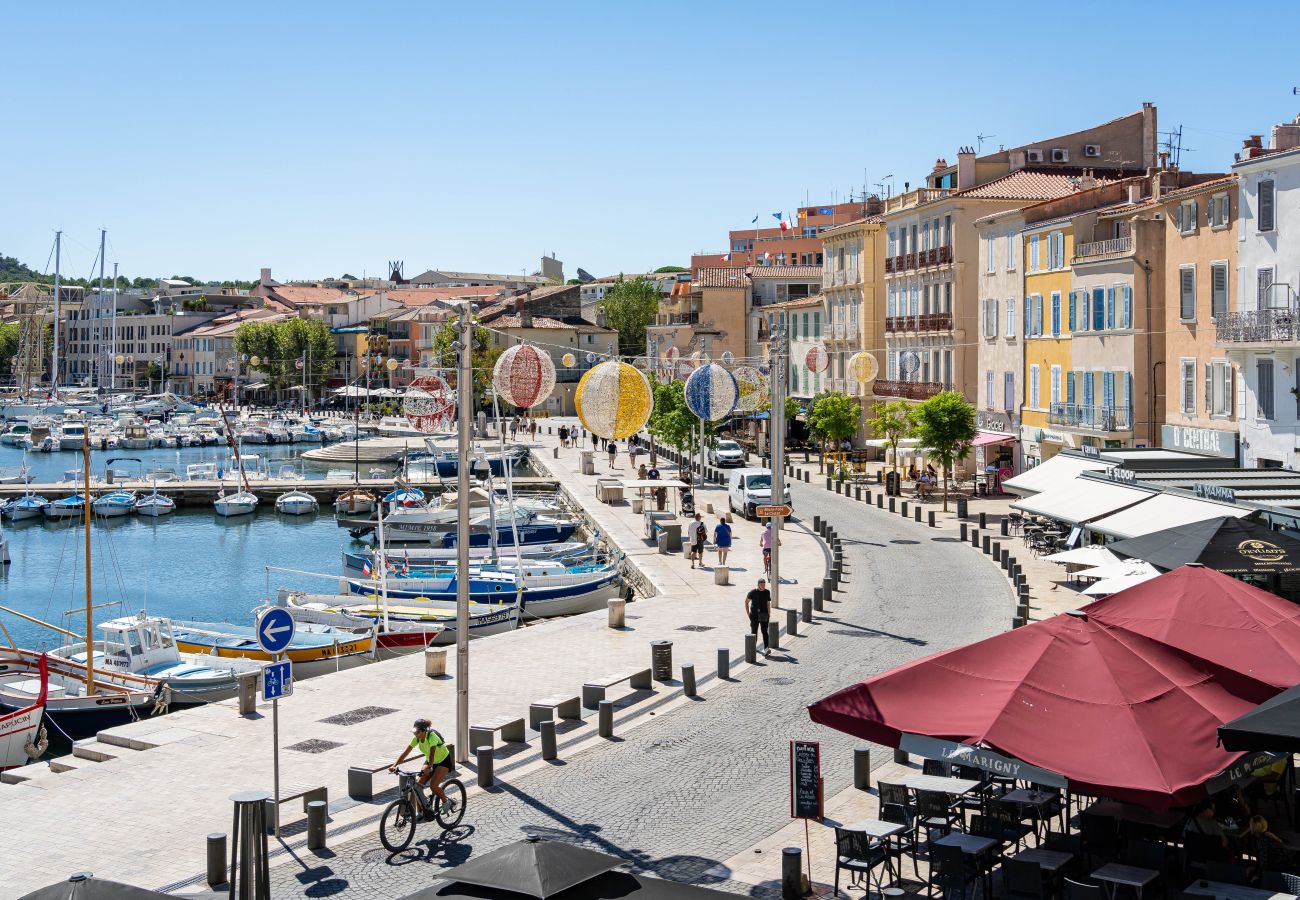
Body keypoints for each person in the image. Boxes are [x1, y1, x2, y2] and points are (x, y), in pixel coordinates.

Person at [389, 718, 453, 818]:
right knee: (417, 786)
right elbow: (406, 752)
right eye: (414, 732)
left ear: (424, 731)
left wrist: (430, 767)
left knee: (433, 786)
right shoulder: (417, 738)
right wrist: (394, 765)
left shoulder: (432, 737)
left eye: (418, 732)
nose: (415, 734)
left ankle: (446, 802)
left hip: (443, 761)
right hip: (430, 761)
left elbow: (432, 753)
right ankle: (421, 812)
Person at [746, 577, 773, 657]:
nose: (763, 586)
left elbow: (768, 603)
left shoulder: (767, 592)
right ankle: (753, 648)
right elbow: (746, 602)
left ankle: (766, 648)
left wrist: (769, 613)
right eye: (761, 585)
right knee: (754, 632)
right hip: (754, 615)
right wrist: (748, 613)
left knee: (764, 631)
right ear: (758, 585)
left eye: (764, 584)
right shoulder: (753, 592)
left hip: (764, 614)